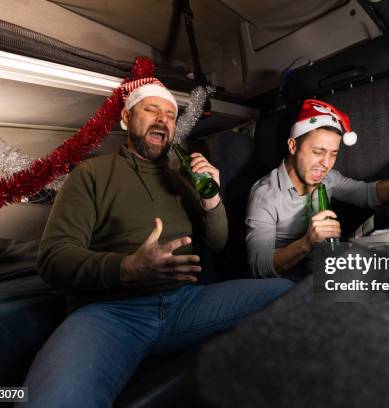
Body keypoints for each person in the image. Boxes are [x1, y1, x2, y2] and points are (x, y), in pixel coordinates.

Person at [21, 76, 293, 407]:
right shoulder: (91, 174)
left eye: (170, 114)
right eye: (151, 109)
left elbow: (218, 242)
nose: (162, 119)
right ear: (125, 118)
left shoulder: (182, 174)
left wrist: (211, 199)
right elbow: (52, 258)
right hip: (109, 314)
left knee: (288, 293)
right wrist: (128, 268)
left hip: (184, 304)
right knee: (53, 401)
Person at [246, 99, 389, 279]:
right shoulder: (264, 194)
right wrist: (307, 242)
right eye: (317, 152)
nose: (325, 164)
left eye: (333, 154)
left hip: (329, 269)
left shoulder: (328, 179)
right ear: (292, 146)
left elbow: (368, 193)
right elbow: (259, 266)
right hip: (286, 284)